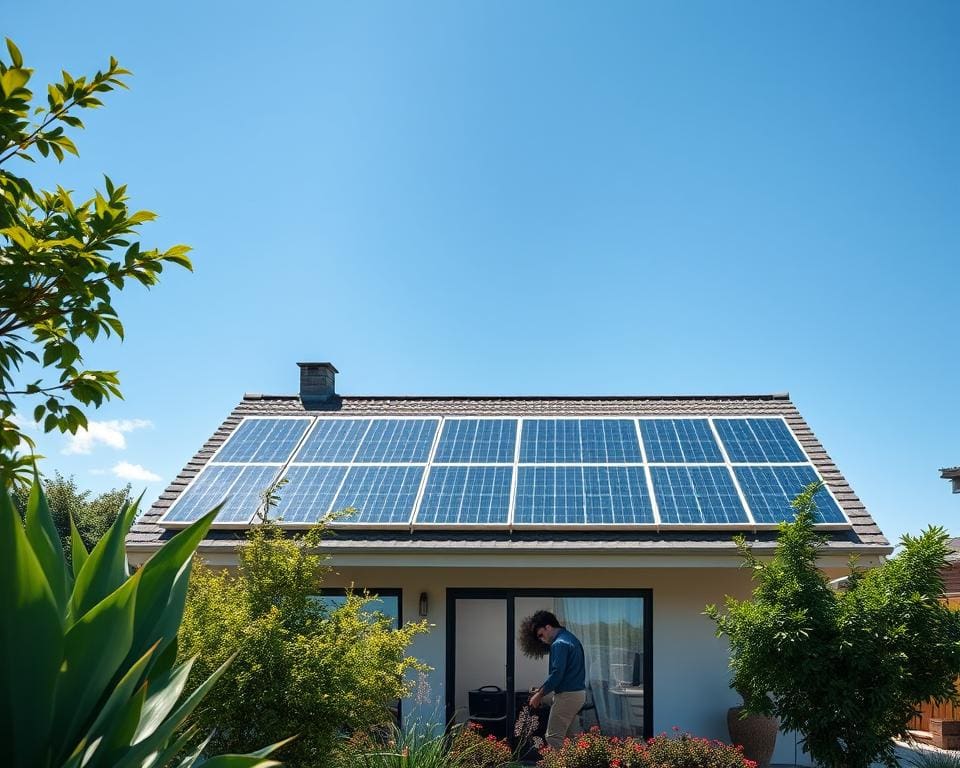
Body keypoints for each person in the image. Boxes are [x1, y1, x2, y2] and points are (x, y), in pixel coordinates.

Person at [526, 610, 586, 749]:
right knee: (573, 739)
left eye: (541, 635)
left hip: (568, 696)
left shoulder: (559, 643)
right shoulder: (570, 638)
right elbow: (565, 674)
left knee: (553, 738)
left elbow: (557, 674)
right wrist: (541, 690)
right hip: (577, 694)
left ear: (548, 627)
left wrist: (539, 695)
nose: (541, 639)